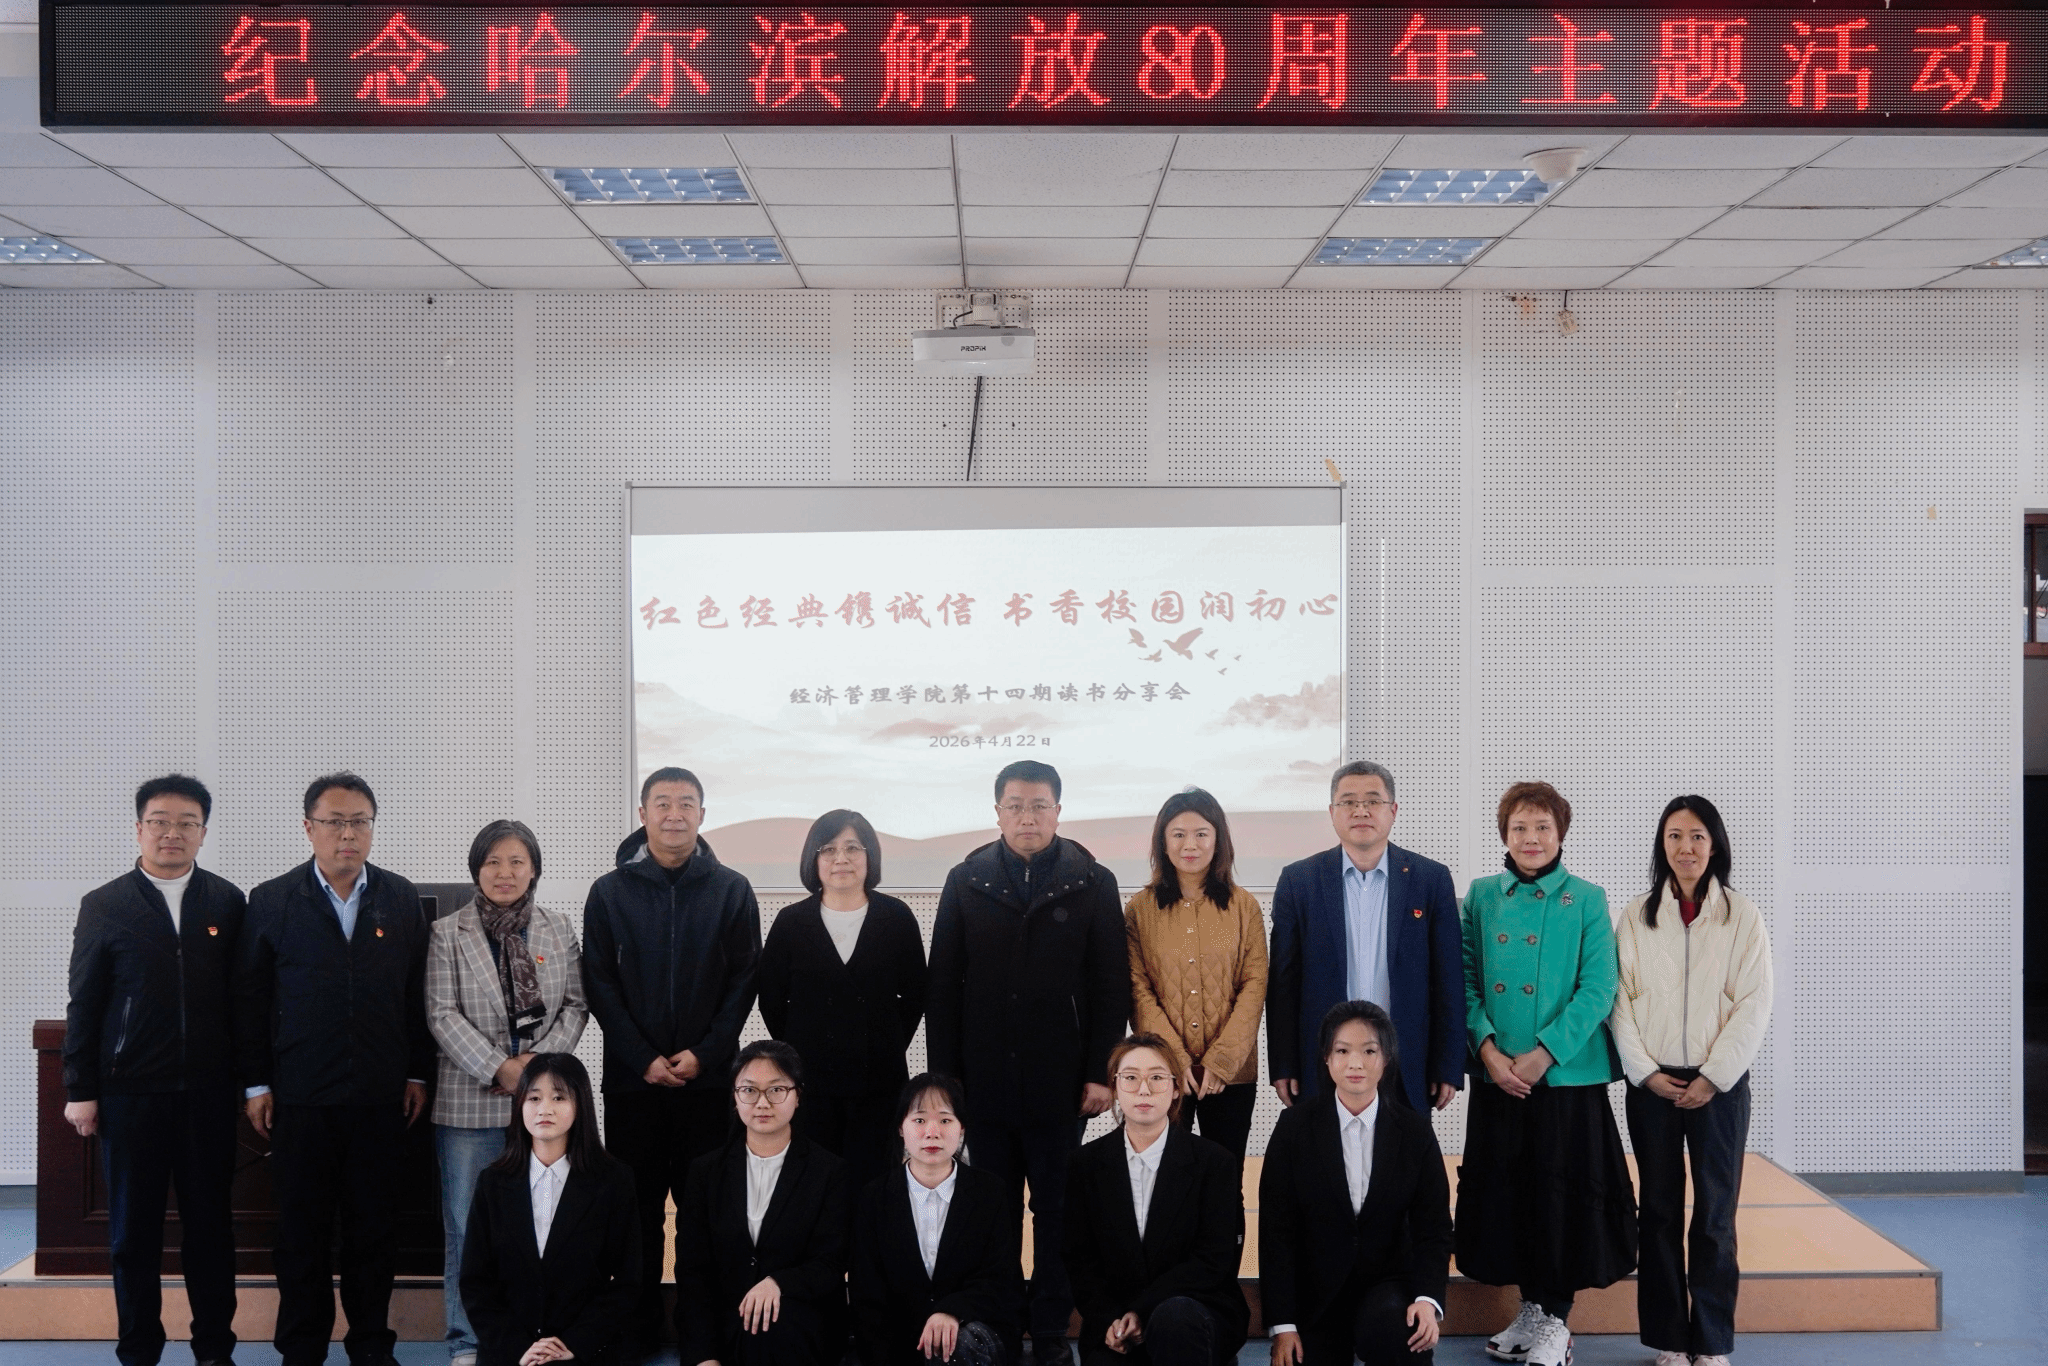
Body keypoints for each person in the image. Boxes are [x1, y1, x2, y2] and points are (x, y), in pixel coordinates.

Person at [927, 760, 1131, 1366]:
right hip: (982, 1081)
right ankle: (997, 1327)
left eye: (1039, 805)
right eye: (1015, 806)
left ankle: (1048, 1334)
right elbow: (943, 986)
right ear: (997, 813)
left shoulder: (1092, 881)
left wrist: (1100, 1072)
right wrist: (945, 1082)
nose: (1027, 817)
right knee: (991, 1212)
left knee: (1057, 1212)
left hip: (1060, 1082)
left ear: (1058, 812)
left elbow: (1110, 985)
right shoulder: (966, 880)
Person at [235, 771, 433, 1366]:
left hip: (379, 1096)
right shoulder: (271, 900)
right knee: (302, 1234)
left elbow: (416, 994)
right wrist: (257, 1082)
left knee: (374, 1231)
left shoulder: (400, 898)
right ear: (308, 828)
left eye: (360, 822)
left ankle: (371, 1345)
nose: (348, 834)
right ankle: (302, 1349)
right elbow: (250, 1001)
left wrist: (417, 1073)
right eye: (335, 822)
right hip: (300, 1097)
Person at [63, 774, 245, 1366]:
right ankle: (139, 1349)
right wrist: (80, 1088)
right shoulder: (105, 904)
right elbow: (84, 1003)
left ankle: (214, 1349)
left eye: (187, 823)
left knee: (211, 1230)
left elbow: (244, 1001)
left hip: (208, 1094)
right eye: (160, 822)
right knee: (132, 1234)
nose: (173, 833)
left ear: (203, 832)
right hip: (130, 1095)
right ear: (139, 829)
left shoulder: (227, 901)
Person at [583, 765, 763, 1351]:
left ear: (703, 815)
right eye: (662, 803)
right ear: (642, 814)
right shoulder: (609, 892)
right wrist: (642, 1058)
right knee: (635, 1212)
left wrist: (705, 1055)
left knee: (706, 1213)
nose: (674, 814)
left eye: (687, 803)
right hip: (633, 1084)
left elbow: (744, 981)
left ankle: (700, 1332)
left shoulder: (732, 890)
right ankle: (635, 1332)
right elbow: (599, 982)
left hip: (707, 1085)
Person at [1456, 782, 1636, 1366]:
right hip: (1499, 1075)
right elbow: (1463, 978)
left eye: (1542, 828)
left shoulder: (1586, 898)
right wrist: (1488, 1050)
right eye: (1519, 828)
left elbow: (1599, 986)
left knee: (1562, 1198)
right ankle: (1531, 1310)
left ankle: (1557, 1320)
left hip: (1563, 1077)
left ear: (1561, 834)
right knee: (1512, 1197)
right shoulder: (1482, 896)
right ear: (1504, 834)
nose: (1530, 838)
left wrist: (1545, 1053)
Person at [1612, 797, 1774, 1366]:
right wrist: (1645, 1073)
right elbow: (1619, 1001)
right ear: (1662, 845)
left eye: (1697, 836)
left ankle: (1710, 1341)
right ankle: (1669, 1340)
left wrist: (1713, 1076)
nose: (1686, 847)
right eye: (1675, 836)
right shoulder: (1637, 916)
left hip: (1719, 1089)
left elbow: (1754, 1004)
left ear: (1715, 844)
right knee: (1657, 1212)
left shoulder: (1742, 916)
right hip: (1652, 1087)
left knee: (1714, 1214)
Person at [429, 820, 590, 1366]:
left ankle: (538, 1336)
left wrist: (536, 1074)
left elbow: (576, 1004)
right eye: (493, 861)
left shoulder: (557, 927)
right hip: (469, 1100)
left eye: (517, 861)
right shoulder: (447, 932)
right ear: (476, 869)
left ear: (534, 869)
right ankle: (467, 1340)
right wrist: (501, 1068)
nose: (505, 872)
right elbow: (441, 1013)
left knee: (542, 1222)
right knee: (467, 1224)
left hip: (544, 1104)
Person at [1259, 1002, 1449, 1366]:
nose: (1355, 1063)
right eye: (1343, 1051)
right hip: (1316, 1292)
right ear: (1327, 1059)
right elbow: (1276, 1231)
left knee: (1401, 1333)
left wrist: (1427, 1299)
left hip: (1388, 1286)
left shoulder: (1415, 1133)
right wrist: (1283, 1325)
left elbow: (1434, 1228)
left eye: (1369, 1051)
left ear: (1386, 1058)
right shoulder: (1293, 1129)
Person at [1267, 761, 1463, 1114]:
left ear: (1393, 810)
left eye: (1373, 801)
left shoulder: (1430, 879)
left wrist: (1447, 1065)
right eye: (1348, 802)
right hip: (1325, 1059)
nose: (1361, 811)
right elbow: (1283, 984)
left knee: (1403, 1149)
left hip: (1406, 1059)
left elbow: (1448, 979)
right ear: (1332, 812)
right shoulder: (1299, 881)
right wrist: (1283, 1064)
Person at [759, 810, 927, 1194]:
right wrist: (800, 1050)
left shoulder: (897, 918)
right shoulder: (790, 922)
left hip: (879, 1081)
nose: (841, 859)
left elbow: (915, 995)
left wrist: (882, 1042)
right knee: (813, 1187)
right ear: (813, 858)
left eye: (853, 848)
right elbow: (772, 999)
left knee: (875, 1187)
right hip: (809, 1082)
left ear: (870, 856)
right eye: (829, 849)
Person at [1061, 1034, 1248, 1366]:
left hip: (1194, 1311)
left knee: (1175, 1320)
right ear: (1114, 1087)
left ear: (1176, 1088)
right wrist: (1110, 1319)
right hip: (1116, 1321)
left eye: (1157, 1077)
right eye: (1131, 1078)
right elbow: (1080, 1260)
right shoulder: (1084, 1164)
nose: (1144, 1090)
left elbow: (1214, 1260)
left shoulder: (1214, 1162)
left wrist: (1142, 1310)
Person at [459, 1053, 641, 1366]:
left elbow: (628, 1281)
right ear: (520, 1105)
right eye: (534, 1098)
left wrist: (576, 1343)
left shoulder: (613, 1181)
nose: (545, 1109)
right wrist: (518, 1348)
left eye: (559, 1097)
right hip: (509, 1354)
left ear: (580, 1105)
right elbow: (475, 1282)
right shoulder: (493, 1182)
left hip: (583, 1353)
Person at [677, 1040, 851, 1366]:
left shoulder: (829, 1171)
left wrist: (777, 1283)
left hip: (801, 1320)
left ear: (798, 1096)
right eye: (749, 1090)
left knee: (771, 1334)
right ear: (735, 1096)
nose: (762, 1103)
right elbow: (693, 1271)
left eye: (776, 1090)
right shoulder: (705, 1172)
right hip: (727, 1323)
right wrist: (703, 1356)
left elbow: (831, 1263)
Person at [1122, 789, 1268, 1173]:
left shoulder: (1244, 906)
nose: (1190, 844)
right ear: (1163, 842)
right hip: (1162, 1074)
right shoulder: (1139, 909)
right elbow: (1138, 989)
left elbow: (1254, 986)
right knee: (1166, 1181)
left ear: (1218, 840)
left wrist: (1221, 1062)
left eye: (1201, 833)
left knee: (1226, 1180)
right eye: (1178, 834)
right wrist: (1173, 1061)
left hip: (1232, 1076)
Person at [849, 1073, 1020, 1366]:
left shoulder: (989, 1192)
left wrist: (952, 1311)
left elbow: (1000, 1278)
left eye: (945, 1120)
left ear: (961, 1127)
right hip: (899, 1342)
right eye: (919, 1120)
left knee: (957, 1345)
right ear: (901, 1128)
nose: (932, 1132)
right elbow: (867, 1292)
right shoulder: (874, 1196)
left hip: (971, 1331)